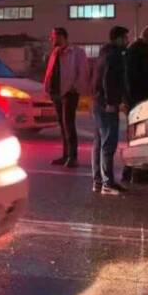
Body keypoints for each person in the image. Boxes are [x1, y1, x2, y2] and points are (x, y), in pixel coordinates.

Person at [42, 27, 89, 168]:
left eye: (54, 36)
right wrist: (46, 87)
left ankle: (73, 157)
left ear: (62, 37)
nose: (52, 39)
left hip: (69, 92)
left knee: (68, 124)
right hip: (56, 91)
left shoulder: (76, 52)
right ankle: (65, 155)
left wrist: (75, 87)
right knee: (62, 125)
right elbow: (50, 71)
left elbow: (83, 71)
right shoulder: (55, 53)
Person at [92, 26, 130, 195]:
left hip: (98, 101)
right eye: (125, 38)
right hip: (106, 104)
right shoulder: (114, 55)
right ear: (118, 39)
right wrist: (111, 101)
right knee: (108, 143)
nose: (127, 41)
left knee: (99, 143)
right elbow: (109, 79)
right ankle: (108, 183)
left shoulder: (103, 54)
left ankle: (98, 181)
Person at [126, 25, 148, 108]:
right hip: (140, 91)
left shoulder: (134, 48)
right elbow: (135, 73)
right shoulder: (141, 50)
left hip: (137, 91)